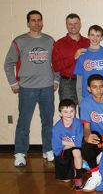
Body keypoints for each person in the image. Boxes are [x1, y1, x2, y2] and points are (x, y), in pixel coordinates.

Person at [4, 10, 59, 166]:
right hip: (27, 88)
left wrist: (56, 79)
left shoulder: (49, 41)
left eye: (39, 20)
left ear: (42, 22)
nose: (36, 23)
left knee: (47, 120)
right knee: (24, 122)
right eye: (33, 20)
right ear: (28, 23)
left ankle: (48, 149)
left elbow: (57, 63)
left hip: (47, 87)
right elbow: (8, 64)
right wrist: (13, 83)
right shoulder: (19, 41)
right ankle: (20, 152)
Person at [53, 13, 90, 104]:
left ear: (80, 24)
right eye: (70, 24)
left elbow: (97, 55)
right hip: (67, 83)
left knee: (86, 112)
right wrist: (73, 57)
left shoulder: (88, 42)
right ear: (66, 25)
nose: (73, 26)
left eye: (76, 23)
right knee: (68, 113)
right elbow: (56, 66)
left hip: (85, 82)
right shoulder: (59, 43)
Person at [51, 99, 84, 190]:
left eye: (71, 111)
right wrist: (75, 143)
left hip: (72, 148)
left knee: (77, 152)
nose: (69, 114)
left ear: (75, 111)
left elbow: (79, 143)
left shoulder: (78, 124)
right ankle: (77, 166)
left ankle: (78, 176)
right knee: (66, 180)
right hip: (63, 150)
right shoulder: (56, 128)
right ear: (60, 113)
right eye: (65, 112)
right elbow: (56, 147)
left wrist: (63, 142)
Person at [74, 25, 103, 103]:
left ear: (101, 38)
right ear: (88, 36)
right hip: (87, 96)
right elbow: (79, 80)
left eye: (98, 36)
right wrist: (80, 98)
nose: (95, 38)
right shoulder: (82, 56)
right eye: (92, 35)